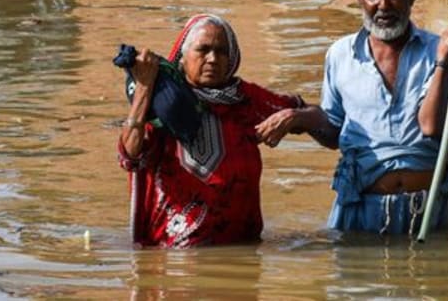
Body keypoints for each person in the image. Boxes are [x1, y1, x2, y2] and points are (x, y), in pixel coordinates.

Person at [257, 0, 448, 235]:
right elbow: (335, 133)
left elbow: (433, 127)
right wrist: (301, 118)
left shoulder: (442, 49)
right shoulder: (339, 55)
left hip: (432, 210)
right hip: (361, 213)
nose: (383, 5)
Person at [118, 14, 307, 247]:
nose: (213, 59)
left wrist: (294, 116)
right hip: (174, 259)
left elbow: (315, 117)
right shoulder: (162, 105)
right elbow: (129, 157)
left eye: (221, 51)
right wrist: (144, 89)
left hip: (243, 250)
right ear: (183, 58)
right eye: (203, 50)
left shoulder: (245, 100)